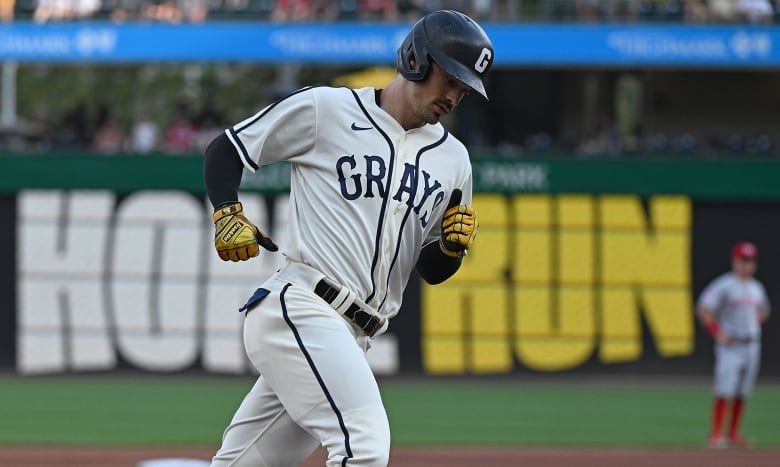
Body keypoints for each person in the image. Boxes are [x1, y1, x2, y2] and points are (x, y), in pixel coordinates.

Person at [202, 10, 493, 467]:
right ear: (416, 58)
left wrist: (451, 249)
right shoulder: (328, 109)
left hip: (354, 335)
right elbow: (228, 149)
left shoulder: (454, 160)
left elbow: (432, 270)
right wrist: (226, 212)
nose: (455, 95)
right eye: (450, 78)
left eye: (464, 88)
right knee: (365, 444)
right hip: (301, 307)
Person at [696, 241, 771, 449]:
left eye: (750, 261)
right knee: (724, 389)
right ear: (734, 261)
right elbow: (704, 308)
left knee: (743, 391)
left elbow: (764, 310)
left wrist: (753, 321)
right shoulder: (724, 285)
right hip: (731, 345)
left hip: (751, 343)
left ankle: (733, 434)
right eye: (743, 260)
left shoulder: (757, 287)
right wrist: (717, 332)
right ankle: (716, 434)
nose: (746, 265)